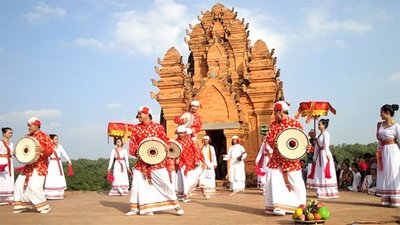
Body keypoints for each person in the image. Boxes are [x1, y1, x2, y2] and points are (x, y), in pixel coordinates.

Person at [126, 106, 184, 216]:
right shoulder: (135, 128)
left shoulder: (158, 127)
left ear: (147, 114)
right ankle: (137, 208)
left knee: (165, 183)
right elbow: (132, 146)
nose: (138, 116)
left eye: (140, 114)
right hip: (141, 163)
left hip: (157, 161)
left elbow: (165, 140)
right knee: (136, 184)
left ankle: (176, 205)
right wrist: (137, 152)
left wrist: (167, 146)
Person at [264, 101, 306, 216]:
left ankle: (300, 205)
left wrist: (306, 146)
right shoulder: (273, 125)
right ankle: (279, 207)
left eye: (275, 112)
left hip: (291, 160)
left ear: (280, 111)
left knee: (297, 184)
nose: (274, 114)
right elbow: (270, 139)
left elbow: (301, 141)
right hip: (277, 160)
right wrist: (276, 143)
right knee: (275, 182)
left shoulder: (295, 124)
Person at [14, 117, 54, 214]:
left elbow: (50, 150)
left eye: (30, 125)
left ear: (36, 125)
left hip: (40, 165)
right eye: (27, 125)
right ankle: (24, 205)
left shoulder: (45, 136)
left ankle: (44, 207)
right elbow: (24, 150)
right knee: (19, 184)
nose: (28, 127)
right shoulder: (27, 137)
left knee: (35, 186)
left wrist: (43, 150)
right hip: (29, 166)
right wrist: (17, 153)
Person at [307, 119, 339, 198]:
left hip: (325, 155)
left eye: (320, 124)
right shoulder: (318, 136)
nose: (318, 126)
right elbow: (317, 148)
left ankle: (329, 191)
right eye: (318, 124)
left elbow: (326, 145)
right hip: (319, 156)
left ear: (324, 125)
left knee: (325, 171)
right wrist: (314, 157)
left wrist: (327, 154)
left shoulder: (326, 134)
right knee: (320, 172)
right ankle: (321, 191)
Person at [376, 104, 400, 207]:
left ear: (388, 113)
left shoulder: (396, 126)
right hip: (382, 151)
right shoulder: (380, 125)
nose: (380, 114)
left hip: (393, 152)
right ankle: (386, 199)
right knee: (384, 173)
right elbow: (379, 140)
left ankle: (395, 199)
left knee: (392, 172)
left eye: (381, 112)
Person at [176, 126, 205, 202]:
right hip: (181, 163)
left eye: (184, 133)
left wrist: (198, 160)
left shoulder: (190, 141)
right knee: (182, 179)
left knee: (190, 178)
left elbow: (196, 150)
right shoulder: (176, 142)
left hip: (191, 163)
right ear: (177, 133)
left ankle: (186, 194)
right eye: (180, 133)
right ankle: (183, 195)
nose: (182, 134)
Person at [44, 134, 72, 200]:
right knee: (52, 177)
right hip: (52, 164)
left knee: (58, 177)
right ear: (52, 140)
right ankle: (49, 195)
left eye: (57, 139)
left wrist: (69, 160)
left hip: (58, 163)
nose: (57, 140)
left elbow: (64, 153)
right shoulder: (49, 147)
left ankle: (59, 194)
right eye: (55, 139)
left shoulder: (60, 146)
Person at [0, 127, 14, 205]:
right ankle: (1, 198)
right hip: (2, 161)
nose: (11, 134)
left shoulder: (11, 144)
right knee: (2, 179)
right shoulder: (1, 143)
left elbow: (13, 152)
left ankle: (9, 198)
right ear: (4, 134)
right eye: (9, 133)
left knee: (9, 178)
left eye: (11, 133)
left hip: (10, 162)